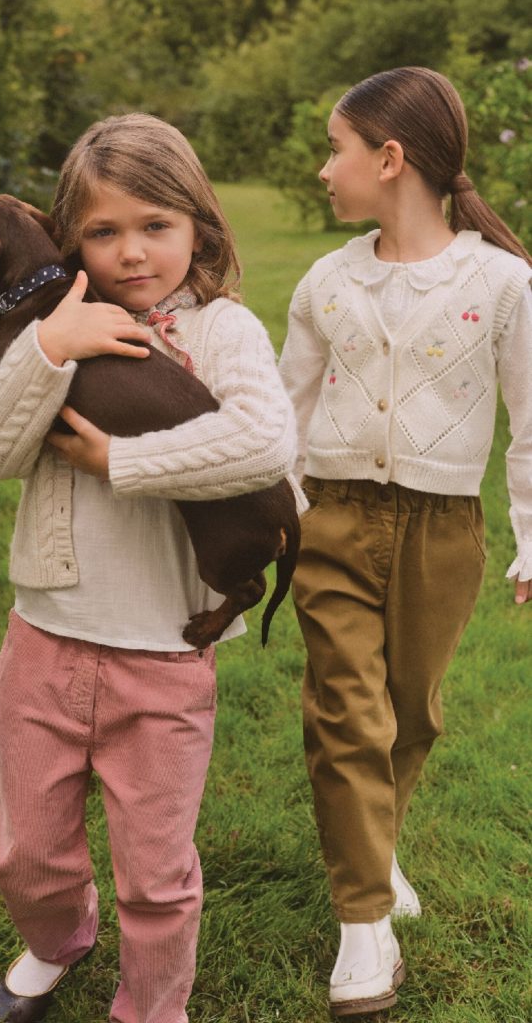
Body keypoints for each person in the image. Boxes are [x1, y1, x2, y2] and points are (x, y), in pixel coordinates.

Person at [0, 113, 303, 1023]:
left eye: (156, 225)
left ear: (200, 227)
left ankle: (152, 1006)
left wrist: (121, 460)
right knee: (26, 851)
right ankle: (56, 939)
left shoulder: (222, 331)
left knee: (155, 870)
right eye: (103, 231)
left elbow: (265, 441)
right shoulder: (51, 329)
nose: (132, 251)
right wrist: (50, 349)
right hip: (44, 642)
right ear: (69, 240)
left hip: (163, 655)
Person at [278, 67, 531, 1017]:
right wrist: (279, 514)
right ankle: (362, 923)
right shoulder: (327, 280)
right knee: (347, 714)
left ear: (389, 159)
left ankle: (374, 847)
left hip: (443, 532)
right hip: (334, 517)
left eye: (335, 149)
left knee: (410, 714)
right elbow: (284, 409)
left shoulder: (503, 285)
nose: (323, 169)